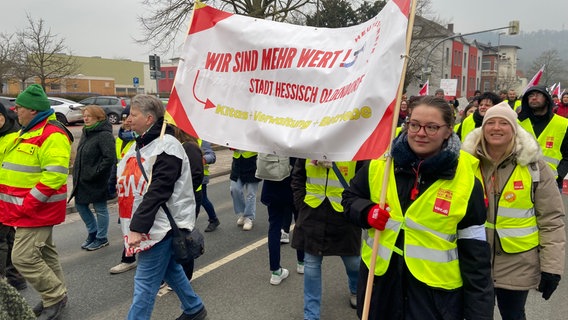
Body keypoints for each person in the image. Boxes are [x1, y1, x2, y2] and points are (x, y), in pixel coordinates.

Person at [342, 96, 493, 320]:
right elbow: (350, 198)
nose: (420, 133)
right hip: (380, 292)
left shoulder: (467, 179)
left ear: (448, 131)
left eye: (432, 127)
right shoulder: (381, 164)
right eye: (414, 124)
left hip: (435, 301)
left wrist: (479, 314)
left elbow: (476, 259)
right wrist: (366, 212)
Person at [462, 104, 565, 319]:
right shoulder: (466, 163)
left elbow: (551, 220)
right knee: (476, 315)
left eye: (504, 123)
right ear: (483, 128)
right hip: (473, 258)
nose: (496, 128)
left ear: (515, 129)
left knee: (513, 314)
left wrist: (552, 268)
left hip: (518, 262)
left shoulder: (534, 167)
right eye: (490, 122)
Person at [117, 94, 206, 320]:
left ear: (149, 118)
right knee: (171, 270)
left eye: (133, 115)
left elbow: (159, 190)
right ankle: (194, 308)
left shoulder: (167, 147)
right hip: (147, 223)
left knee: (144, 284)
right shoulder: (141, 144)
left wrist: (137, 227)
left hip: (159, 226)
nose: (128, 119)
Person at [0, 84, 71, 320]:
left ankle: (55, 295)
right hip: (24, 209)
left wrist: (29, 203)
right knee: (47, 254)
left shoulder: (52, 134)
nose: (15, 111)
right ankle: (56, 295)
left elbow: (55, 175)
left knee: (22, 257)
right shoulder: (28, 130)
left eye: (19, 107)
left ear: (32, 110)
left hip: (36, 210)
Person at [291, 158, 361, 320]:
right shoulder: (310, 144)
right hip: (312, 213)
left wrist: (356, 208)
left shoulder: (353, 145)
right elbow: (298, 176)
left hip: (344, 214)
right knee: (311, 266)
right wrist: (301, 203)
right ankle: (311, 315)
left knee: (353, 262)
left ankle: (356, 289)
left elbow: (363, 180)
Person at [70, 105, 116, 251]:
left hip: (97, 179)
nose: (86, 118)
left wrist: (95, 172)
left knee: (100, 208)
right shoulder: (86, 132)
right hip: (82, 179)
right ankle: (93, 232)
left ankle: (101, 238)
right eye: (84, 115)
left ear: (99, 117)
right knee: (80, 205)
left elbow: (109, 158)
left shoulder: (104, 134)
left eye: (89, 115)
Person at [260, 157, 305, 285]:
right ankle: (301, 263)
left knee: (274, 227)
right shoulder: (294, 136)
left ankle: (275, 271)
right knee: (299, 223)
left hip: (272, 184)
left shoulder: (268, 137)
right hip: (293, 183)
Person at [518, 85, 568, 190]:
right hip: (521, 181)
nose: (534, 98)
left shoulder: (563, 124)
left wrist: (558, 176)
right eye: (530, 95)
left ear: (547, 99)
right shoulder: (518, 123)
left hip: (551, 182)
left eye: (538, 95)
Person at [0, 102, 27, 291]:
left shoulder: (13, 136)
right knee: (8, 237)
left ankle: (5, 282)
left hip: (7, 194)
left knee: (3, 238)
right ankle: (15, 277)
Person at [172, 125, 204, 282]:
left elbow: (196, 174)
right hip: (176, 199)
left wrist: (182, 193)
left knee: (183, 237)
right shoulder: (174, 147)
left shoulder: (189, 147)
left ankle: (185, 275)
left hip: (188, 199)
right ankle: (173, 273)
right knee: (171, 237)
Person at [109, 108, 138, 274]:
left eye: (133, 116)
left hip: (140, 190)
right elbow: (118, 162)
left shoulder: (148, 138)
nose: (128, 120)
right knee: (128, 226)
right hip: (126, 189)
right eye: (126, 116)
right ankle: (128, 258)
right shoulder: (122, 137)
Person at [230, 149, 261, 231]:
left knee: (251, 194)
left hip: (252, 162)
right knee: (234, 189)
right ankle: (243, 214)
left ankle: (249, 218)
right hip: (237, 163)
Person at [200, 140, 221, 232]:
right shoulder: (180, 136)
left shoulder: (201, 139)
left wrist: (202, 159)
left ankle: (213, 220)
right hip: (185, 176)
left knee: (202, 199)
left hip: (200, 176)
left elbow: (212, 156)